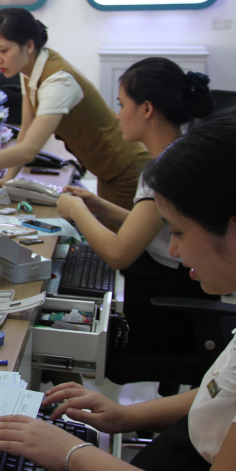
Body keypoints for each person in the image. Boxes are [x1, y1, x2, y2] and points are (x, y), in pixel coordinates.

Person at [0, 119, 236, 471]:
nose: (173, 250)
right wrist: (126, 416)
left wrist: (71, 453)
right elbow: (222, 390)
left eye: (178, 232)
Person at [57, 58, 213, 366]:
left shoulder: (163, 172)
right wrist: (99, 206)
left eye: (122, 104)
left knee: (58, 330)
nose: (118, 115)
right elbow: (154, 228)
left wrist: (76, 210)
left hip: (165, 311)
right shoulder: (178, 154)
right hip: (177, 287)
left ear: (147, 109)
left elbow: (118, 253)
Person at [0, 8, 150, 210]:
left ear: (29, 46)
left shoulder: (57, 80)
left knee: (119, 241)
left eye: (3, 50)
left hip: (125, 169)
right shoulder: (29, 69)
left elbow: (29, 150)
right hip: (108, 169)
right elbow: (26, 131)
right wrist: (7, 180)